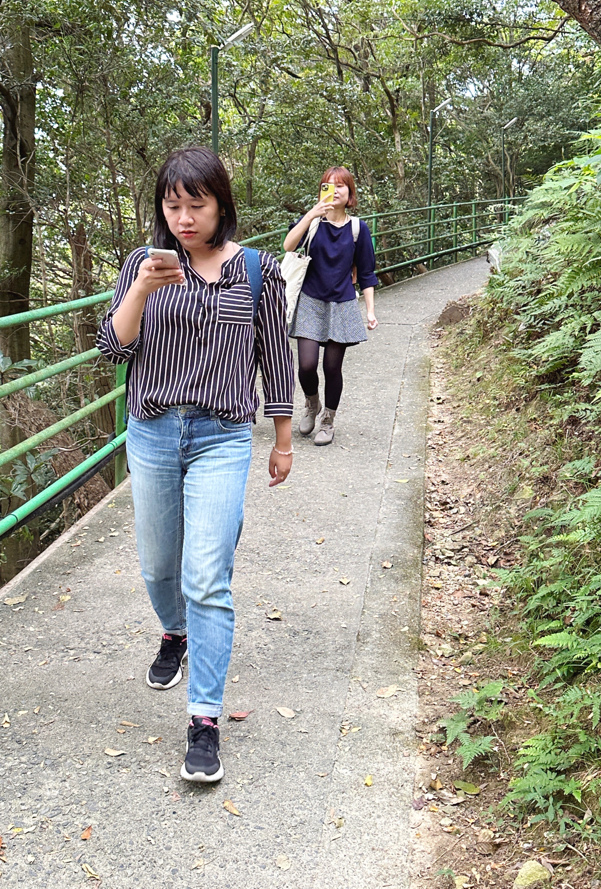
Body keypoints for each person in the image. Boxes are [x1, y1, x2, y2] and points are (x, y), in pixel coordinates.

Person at [96, 146, 294, 783]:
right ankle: (173, 632)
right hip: (153, 430)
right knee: (160, 566)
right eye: (172, 205)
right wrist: (144, 290)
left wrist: (283, 438)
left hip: (223, 436)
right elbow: (112, 347)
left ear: (220, 206)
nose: (183, 218)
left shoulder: (256, 271)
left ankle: (203, 719)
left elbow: (275, 355)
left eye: (196, 205)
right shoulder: (143, 265)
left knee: (206, 574)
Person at [282, 166, 378, 446]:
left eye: (341, 186)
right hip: (311, 300)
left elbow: (367, 273)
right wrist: (312, 213)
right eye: (329, 185)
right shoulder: (312, 223)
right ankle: (312, 403)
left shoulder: (359, 229)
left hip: (343, 304)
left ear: (350, 194)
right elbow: (288, 246)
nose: (335, 191)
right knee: (307, 365)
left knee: (332, 368)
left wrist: (370, 310)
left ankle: (328, 420)